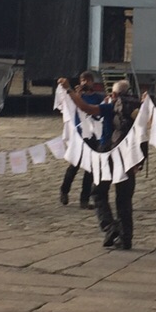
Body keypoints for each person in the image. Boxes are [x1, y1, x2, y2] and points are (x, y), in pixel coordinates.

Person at [94, 79, 146, 250]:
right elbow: (143, 133)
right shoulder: (137, 106)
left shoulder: (113, 106)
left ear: (115, 94)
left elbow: (87, 109)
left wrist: (70, 93)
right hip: (130, 157)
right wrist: (141, 160)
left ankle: (110, 226)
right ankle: (126, 238)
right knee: (124, 200)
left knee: (98, 192)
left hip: (111, 153)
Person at [59, 71, 104, 209]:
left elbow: (101, 109)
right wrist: (78, 94)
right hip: (79, 136)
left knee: (90, 170)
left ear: (92, 82)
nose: (85, 82)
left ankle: (84, 200)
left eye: (88, 80)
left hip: (93, 135)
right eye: (83, 80)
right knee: (74, 166)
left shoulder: (97, 97)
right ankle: (64, 191)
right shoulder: (76, 96)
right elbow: (72, 106)